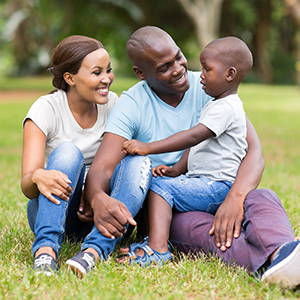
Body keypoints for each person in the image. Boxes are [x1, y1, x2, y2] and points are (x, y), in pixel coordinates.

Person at [68, 26, 300, 288]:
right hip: (172, 212)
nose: (178, 69)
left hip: (218, 189)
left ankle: (286, 253)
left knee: (262, 197)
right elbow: (103, 168)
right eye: (164, 67)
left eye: (178, 57)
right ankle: (272, 265)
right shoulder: (132, 104)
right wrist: (97, 197)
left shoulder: (210, 86)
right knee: (204, 231)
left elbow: (254, 153)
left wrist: (235, 198)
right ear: (141, 73)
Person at [120, 36, 251, 266]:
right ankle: (157, 240)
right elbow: (198, 146)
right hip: (206, 183)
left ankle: (158, 250)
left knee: (159, 188)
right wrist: (176, 169)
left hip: (217, 187)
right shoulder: (215, 103)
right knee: (162, 183)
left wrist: (148, 147)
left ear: (229, 75)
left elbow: (192, 136)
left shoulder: (227, 108)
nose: (200, 75)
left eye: (207, 69)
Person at [21, 35, 119, 275]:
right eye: (97, 72)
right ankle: (45, 252)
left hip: (99, 215)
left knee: (137, 161)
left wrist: (93, 194)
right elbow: (27, 185)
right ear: (70, 78)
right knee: (67, 152)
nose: (106, 78)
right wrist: (38, 177)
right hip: (56, 212)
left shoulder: (114, 105)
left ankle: (94, 248)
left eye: (108, 70)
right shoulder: (46, 109)